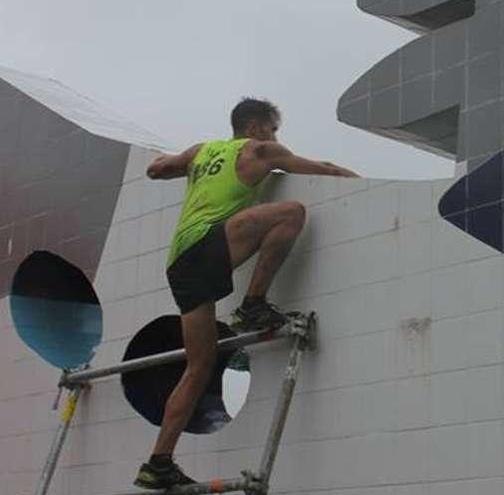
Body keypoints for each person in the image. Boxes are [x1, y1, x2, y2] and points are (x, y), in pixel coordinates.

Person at [133, 98, 360, 489]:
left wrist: (173, 161)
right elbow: (322, 169)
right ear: (256, 128)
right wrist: (354, 178)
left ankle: (158, 462)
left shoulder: (200, 151)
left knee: (198, 367)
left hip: (179, 265)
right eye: (273, 129)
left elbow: (157, 170)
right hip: (208, 244)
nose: (276, 138)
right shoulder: (260, 151)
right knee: (291, 212)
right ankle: (253, 303)